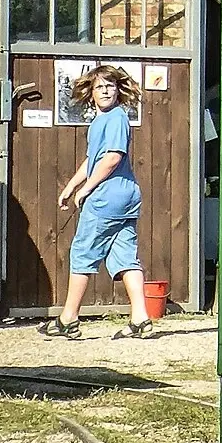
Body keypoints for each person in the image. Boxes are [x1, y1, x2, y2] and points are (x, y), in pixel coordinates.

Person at [40, 66, 150, 339]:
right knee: (124, 256)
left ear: (118, 90)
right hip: (125, 197)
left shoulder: (115, 118)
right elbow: (93, 160)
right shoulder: (101, 122)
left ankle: (68, 319)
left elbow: (112, 158)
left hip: (107, 198)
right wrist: (71, 186)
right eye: (100, 87)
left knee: (82, 253)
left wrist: (86, 189)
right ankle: (141, 319)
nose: (105, 91)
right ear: (90, 93)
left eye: (110, 86)